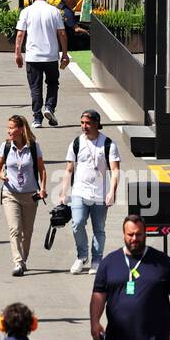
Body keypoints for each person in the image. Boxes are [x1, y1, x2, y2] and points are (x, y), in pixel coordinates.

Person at [58, 110, 122, 275]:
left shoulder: (108, 144)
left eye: (87, 123)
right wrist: (63, 193)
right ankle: (82, 256)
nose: (84, 127)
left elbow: (115, 171)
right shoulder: (76, 143)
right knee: (77, 223)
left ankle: (97, 259)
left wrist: (112, 192)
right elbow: (69, 170)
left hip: (100, 194)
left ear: (96, 124)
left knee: (99, 228)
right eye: (82, 123)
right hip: (80, 192)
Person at [0, 115, 47, 276]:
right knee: (15, 229)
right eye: (8, 128)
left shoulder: (33, 147)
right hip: (10, 194)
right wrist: (1, 175)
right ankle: (17, 262)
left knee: (27, 232)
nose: (9, 131)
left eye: (12, 128)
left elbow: (42, 170)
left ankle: (23, 260)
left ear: (21, 129)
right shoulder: (6, 146)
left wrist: (42, 188)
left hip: (30, 195)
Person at [15, 0, 69, 130]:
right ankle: (49, 108)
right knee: (52, 83)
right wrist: (64, 53)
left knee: (35, 87)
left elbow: (20, 34)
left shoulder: (26, 11)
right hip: (50, 55)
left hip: (33, 56)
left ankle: (37, 117)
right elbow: (62, 33)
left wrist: (18, 53)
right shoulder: (54, 11)